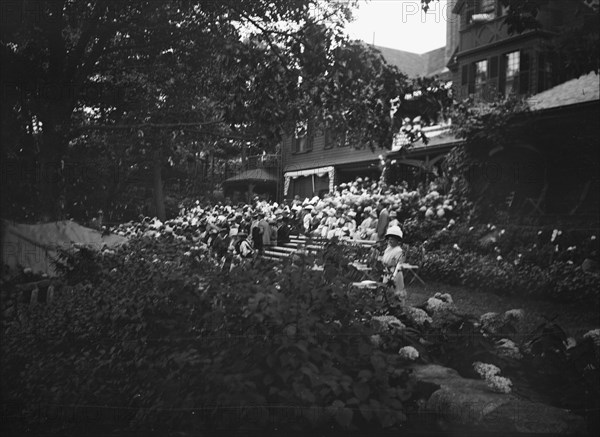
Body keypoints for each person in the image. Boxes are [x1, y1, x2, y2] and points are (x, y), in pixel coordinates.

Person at [381, 225, 406, 306]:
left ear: (397, 240)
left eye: (393, 239)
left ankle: (397, 307)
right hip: (387, 272)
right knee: (387, 292)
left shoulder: (399, 251)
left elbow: (399, 265)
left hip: (394, 273)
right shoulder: (388, 249)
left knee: (396, 291)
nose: (390, 241)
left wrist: (393, 276)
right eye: (389, 239)